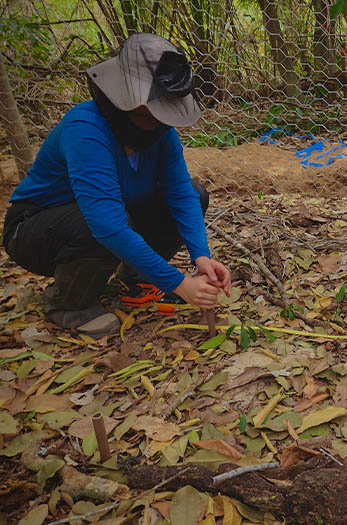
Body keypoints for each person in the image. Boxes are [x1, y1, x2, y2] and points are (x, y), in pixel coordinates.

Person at [2, 33, 231, 337]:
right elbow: (107, 226)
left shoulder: (161, 134)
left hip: (114, 216)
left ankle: (136, 275)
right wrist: (179, 284)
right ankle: (69, 304)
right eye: (152, 116)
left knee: (195, 194)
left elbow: (181, 194)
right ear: (122, 103)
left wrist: (201, 257)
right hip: (34, 231)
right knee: (102, 223)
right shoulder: (86, 129)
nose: (161, 125)